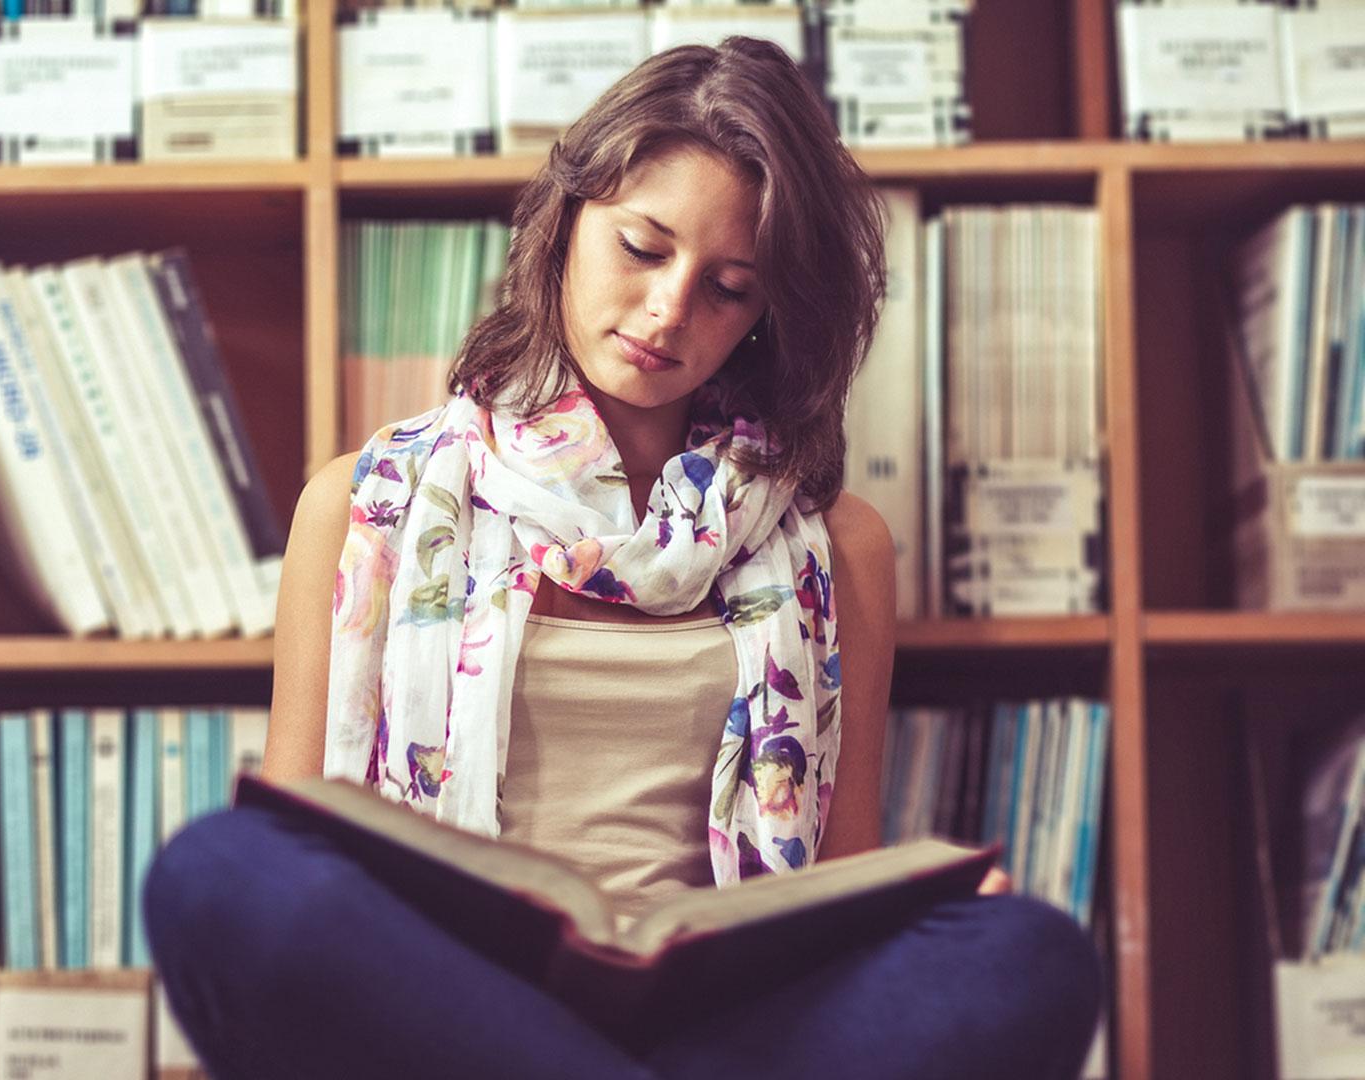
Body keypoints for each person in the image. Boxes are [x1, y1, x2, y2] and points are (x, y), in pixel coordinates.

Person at [144, 36, 1102, 1080]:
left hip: (731, 1028)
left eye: (728, 287)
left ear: (767, 316)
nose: (668, 310)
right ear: (565, 223)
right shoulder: (359, 504)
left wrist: (917, 916)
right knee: (222, 874)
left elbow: (840, 884)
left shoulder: (838, 546)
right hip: (452, 1019)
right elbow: (303, 852)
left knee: (1027, 957)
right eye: (643, 249)